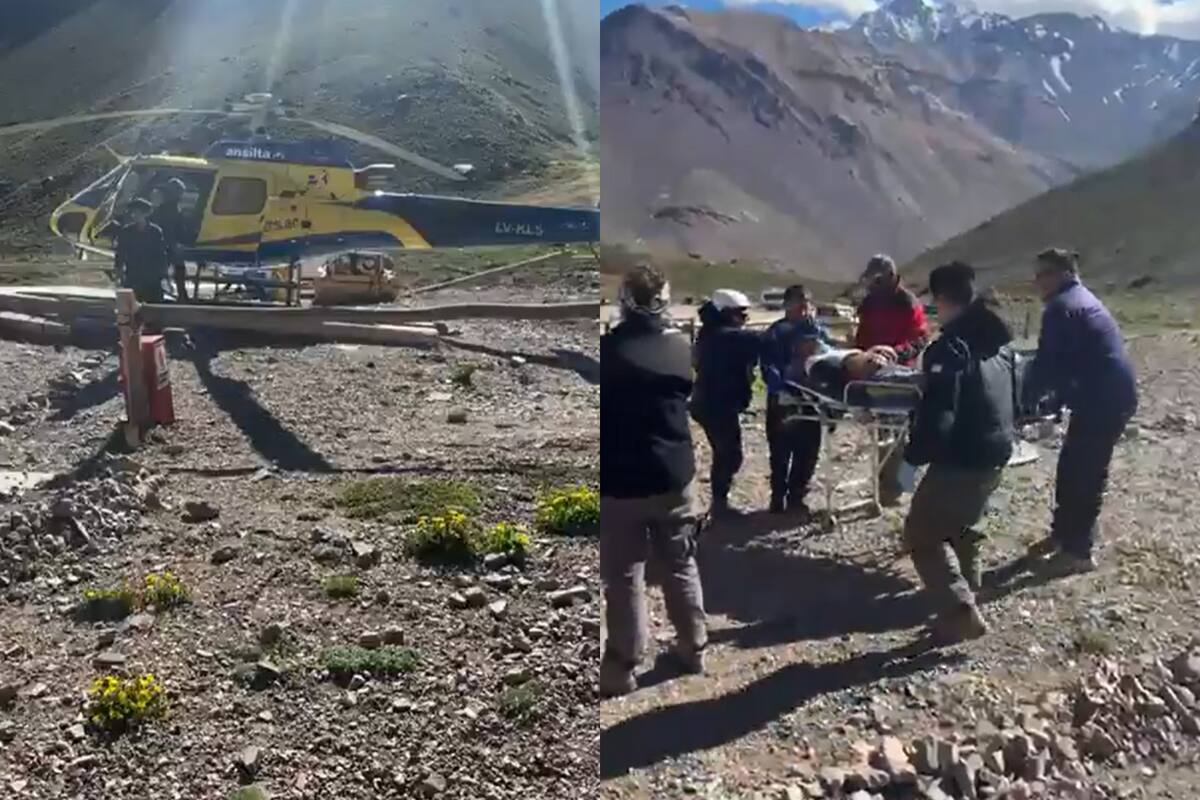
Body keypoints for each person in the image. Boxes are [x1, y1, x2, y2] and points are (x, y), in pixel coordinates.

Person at [600, 265, 707, 697]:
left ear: (624, 301)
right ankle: (693, 648)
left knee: (625, 575)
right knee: (680, 563)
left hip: (620, 480)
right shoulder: (681, 348)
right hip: (673, 475)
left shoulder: (607, 351)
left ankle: (623, 665)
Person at [902, 262, 1016, 644]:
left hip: (964, 454)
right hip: (997, 447)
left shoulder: (951, 348)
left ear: (942, 299)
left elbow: (940, 412)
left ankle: (958, 612)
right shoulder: (995, 341)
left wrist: (915, 454)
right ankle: (970, 595)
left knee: (922, 533)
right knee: (964, 528)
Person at [1022, 248, 1137, 576]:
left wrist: (1024, 402)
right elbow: (1067, 363)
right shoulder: (1079, 299)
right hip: (1101, 394)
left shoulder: (1062, 307)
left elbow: (1047, 365)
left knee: (1085, 472)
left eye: (1042, 274)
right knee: (1073, 466)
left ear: (1061, 274)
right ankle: (1065, 534)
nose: (1037, 282)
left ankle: (1078, 551)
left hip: (1104, 399)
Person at [855, 254, 931, 505]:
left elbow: (919, 338)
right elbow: (862, 335)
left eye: (876, 281)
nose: (872, 286)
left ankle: (898, 487)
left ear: (889, 277)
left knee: (901, 434)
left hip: (899, 375)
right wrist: (862, 357)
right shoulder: (869, 302)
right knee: (881, 433)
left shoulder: (908, 303)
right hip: (871, 371)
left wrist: (894, 353)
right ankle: (884, 486)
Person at [760, 285, 833, 514]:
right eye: (798, 304)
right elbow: (767, 365)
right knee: (780, 451)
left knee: (808, 451)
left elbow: (827, 358)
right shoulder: (776, 332)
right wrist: (780, 386)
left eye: (806, 304)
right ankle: (778, 497)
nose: (803, 309)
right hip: (783, 399)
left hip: (811, 398)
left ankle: (797, 497)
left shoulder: (817, 330)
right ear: (787, 306)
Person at [690, 289, 762, 516]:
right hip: (715, 405)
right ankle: (720, 504)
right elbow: (755, 341)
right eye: (739, 315)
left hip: (713, 403)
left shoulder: (711, 334)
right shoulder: (722, 337)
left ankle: (720, 501)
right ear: (726, 314)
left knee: (726, 453)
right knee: (729, 454)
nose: (743, 320)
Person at [114, 197, 168, 305]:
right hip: (133, 273)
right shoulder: (126, 231)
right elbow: (121, 252)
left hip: (151, 275)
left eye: (138, 213)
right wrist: (118, 268)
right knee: (130, 305)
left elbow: (161, 253)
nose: (135, 216)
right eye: (133, 213)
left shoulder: (155, 231)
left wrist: (163, 271)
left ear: (145, 214)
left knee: (154, 304)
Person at [150, 177, 189, 301]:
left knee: (175, 270)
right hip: (166, 245)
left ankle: (179, 293)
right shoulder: (168, 209)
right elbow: (170, 229)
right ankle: (178, 294)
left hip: (168, 244)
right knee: (172, 270)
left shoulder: (169, 208)